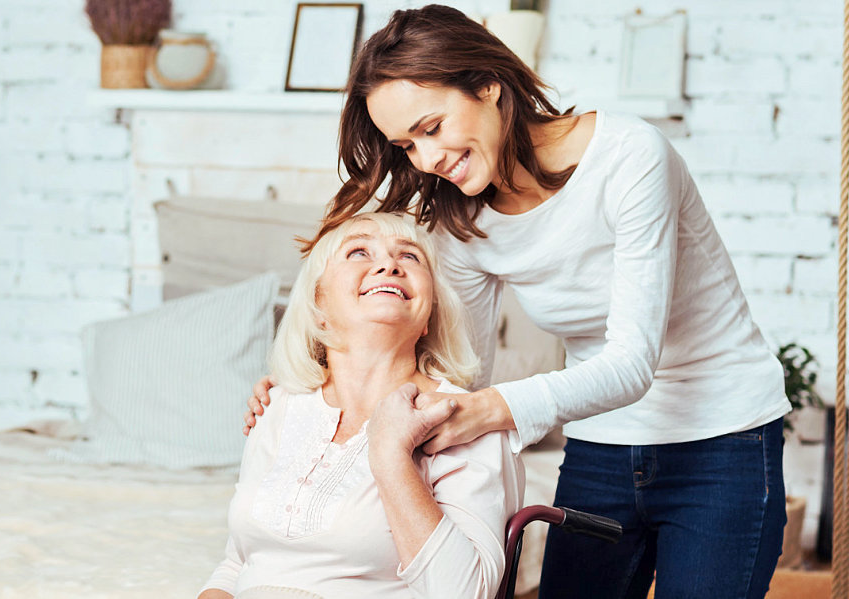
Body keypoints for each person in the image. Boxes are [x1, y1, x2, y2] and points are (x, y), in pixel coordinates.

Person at [244, 6, 791, 598]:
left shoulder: (632, 158)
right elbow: (457, 371)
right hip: (601, 444)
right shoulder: (463, 215)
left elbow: (633, 365)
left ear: (488, 85)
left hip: (722, 438)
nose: (425, 161)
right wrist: (310, 398)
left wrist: (488, 409)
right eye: (405, 144)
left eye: (431, 128)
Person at [201, 212, 522, 599]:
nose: (389, 264)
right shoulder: (276, 405)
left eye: (410, 256)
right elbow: (238, 563)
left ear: (428, 316)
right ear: (318, 303)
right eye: (359, 252)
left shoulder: (464, 420)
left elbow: (467, 592)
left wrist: (391, 456)